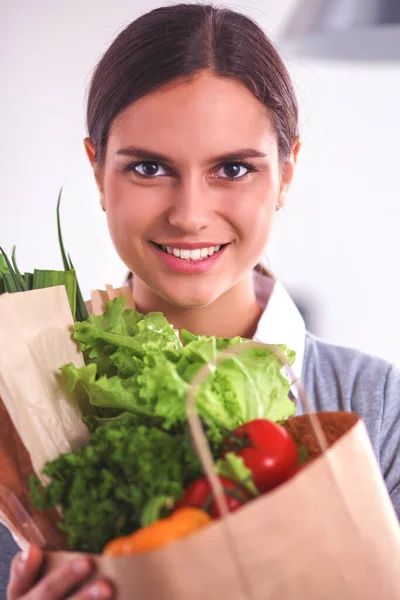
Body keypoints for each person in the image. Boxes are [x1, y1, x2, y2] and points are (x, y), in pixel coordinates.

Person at [3, 3, 400, 599]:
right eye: (148, 167)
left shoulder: (375, 406)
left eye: (234, 168)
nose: (189, 215)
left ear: (287, 173)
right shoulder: (17, 408)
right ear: (97, 171)